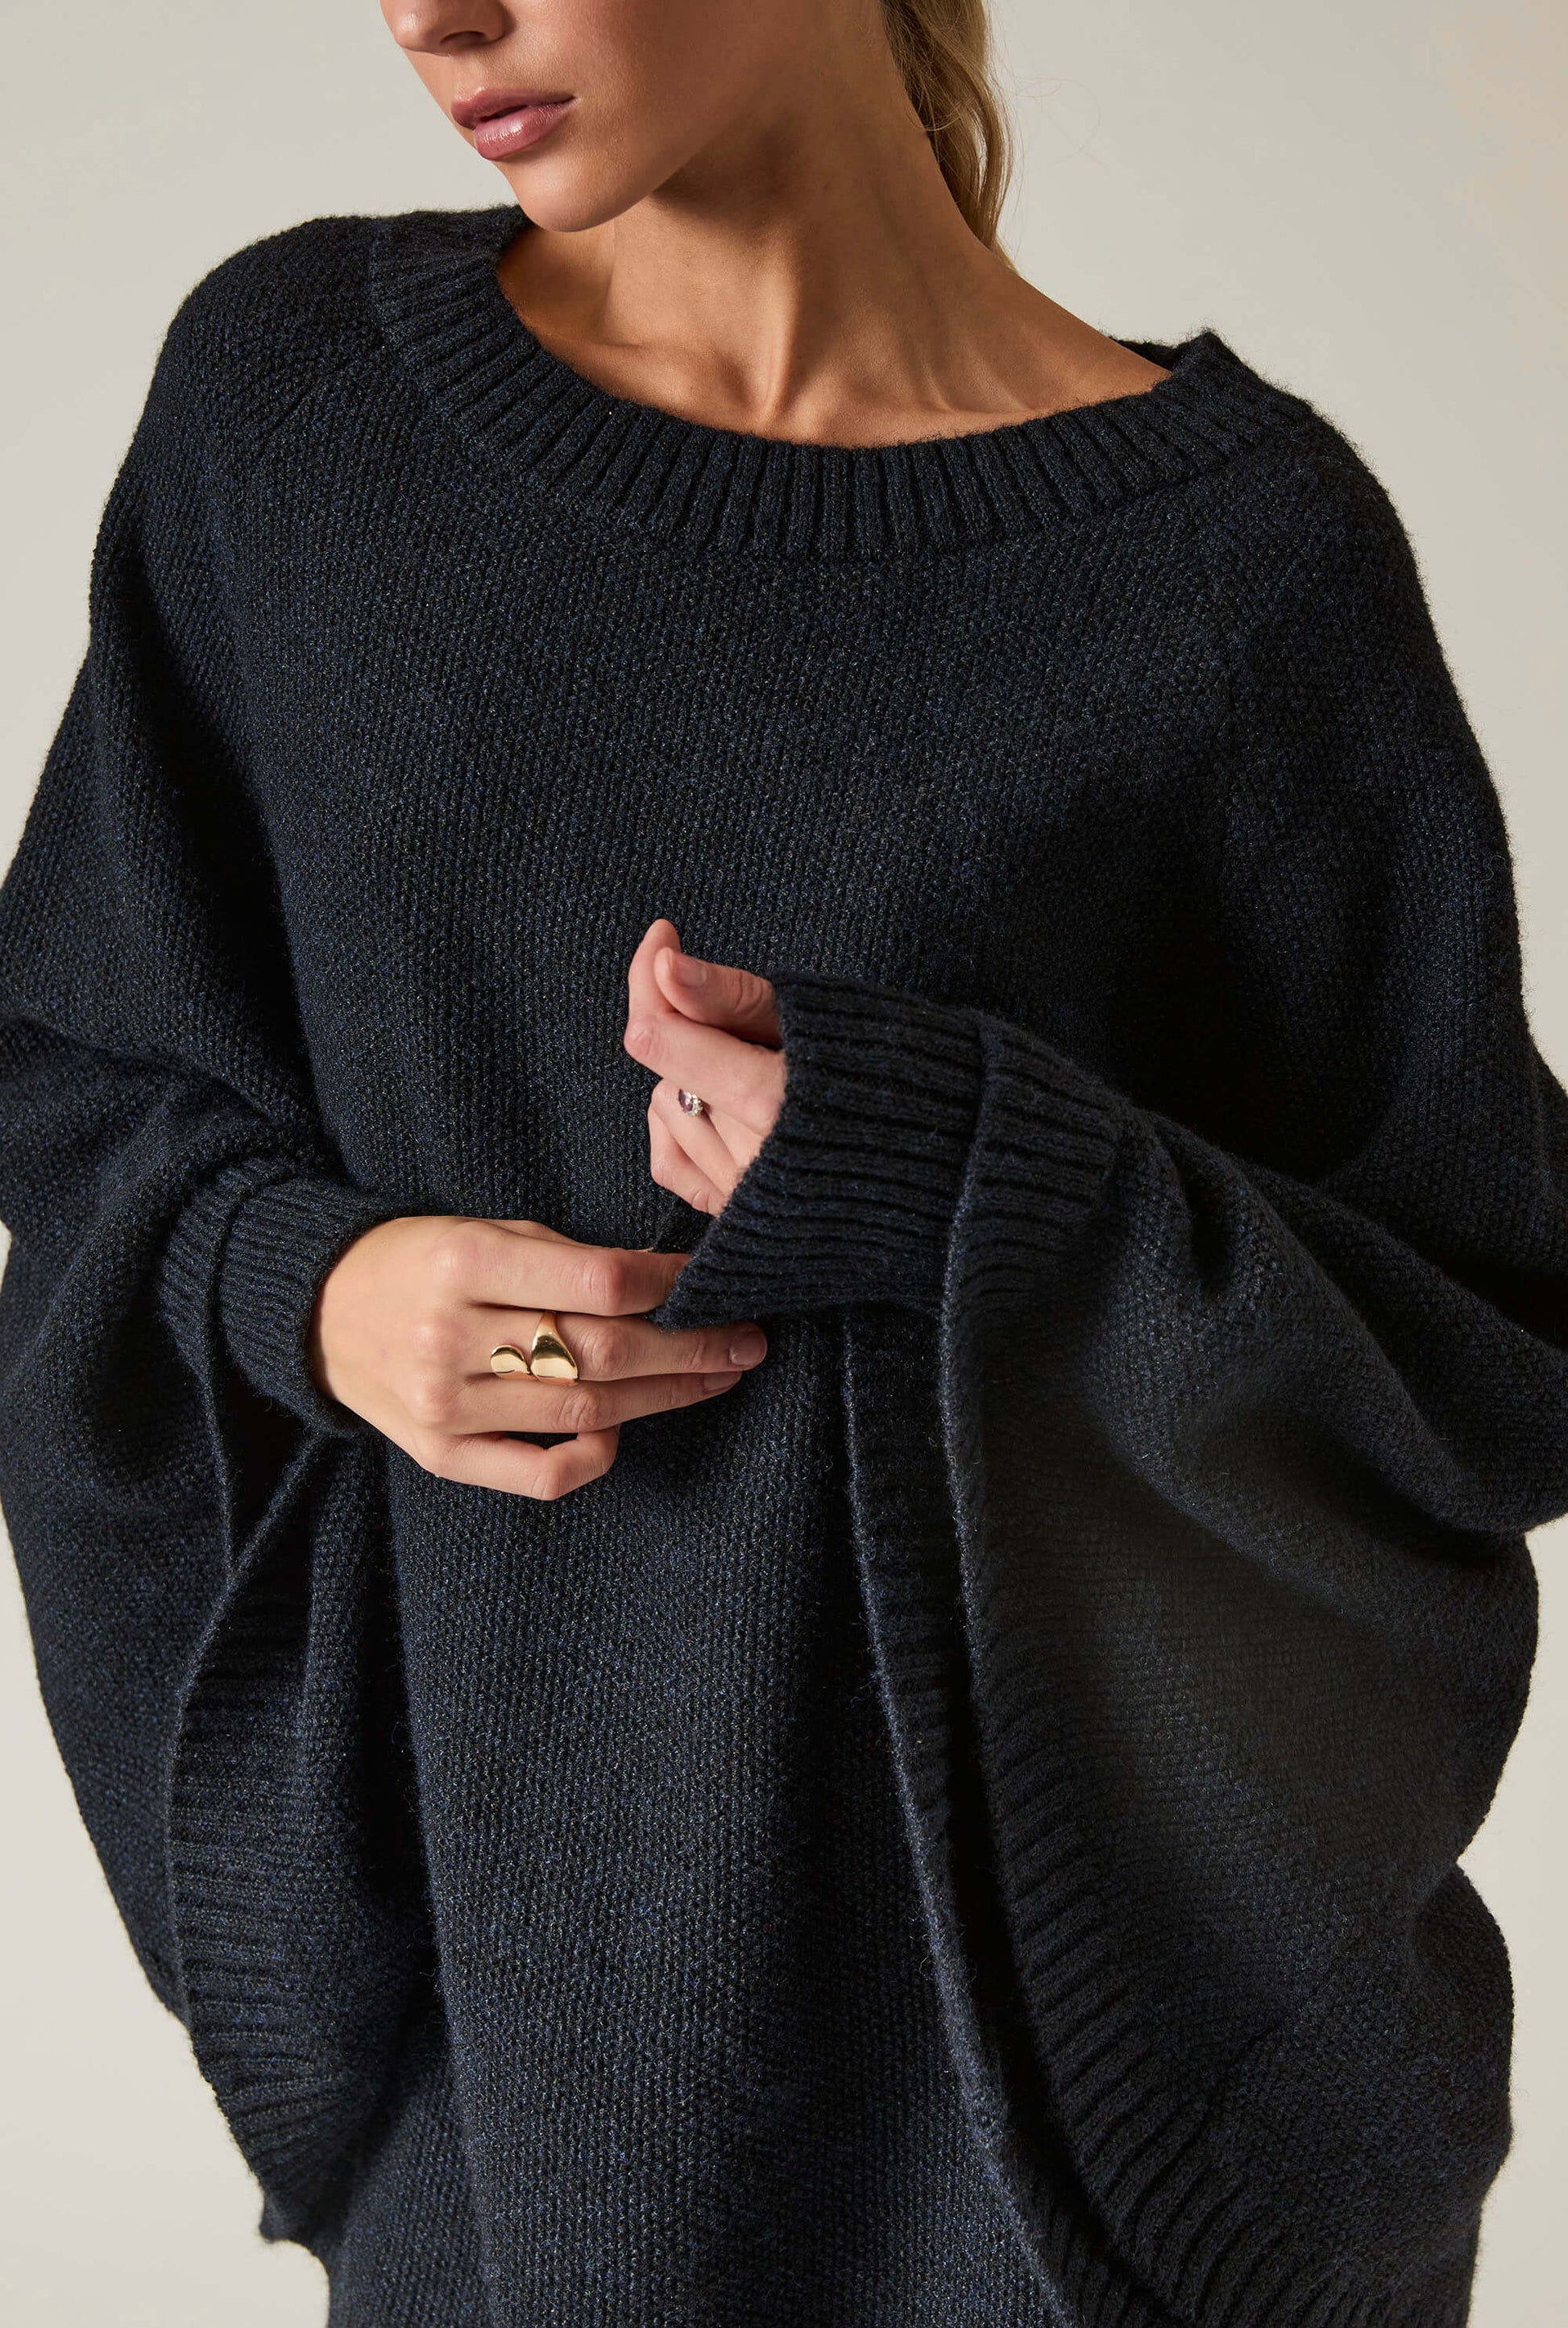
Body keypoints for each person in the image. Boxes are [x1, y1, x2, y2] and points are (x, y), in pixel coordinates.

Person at [2, 0, 1565, 2321]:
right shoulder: (296, 409)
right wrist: (314, 1289)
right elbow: (79, 1068)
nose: (433, 14)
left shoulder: (1240, 564)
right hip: (523, 2096)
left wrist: (970, 1169)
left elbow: (1479, 1364)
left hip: (1087, 2157)